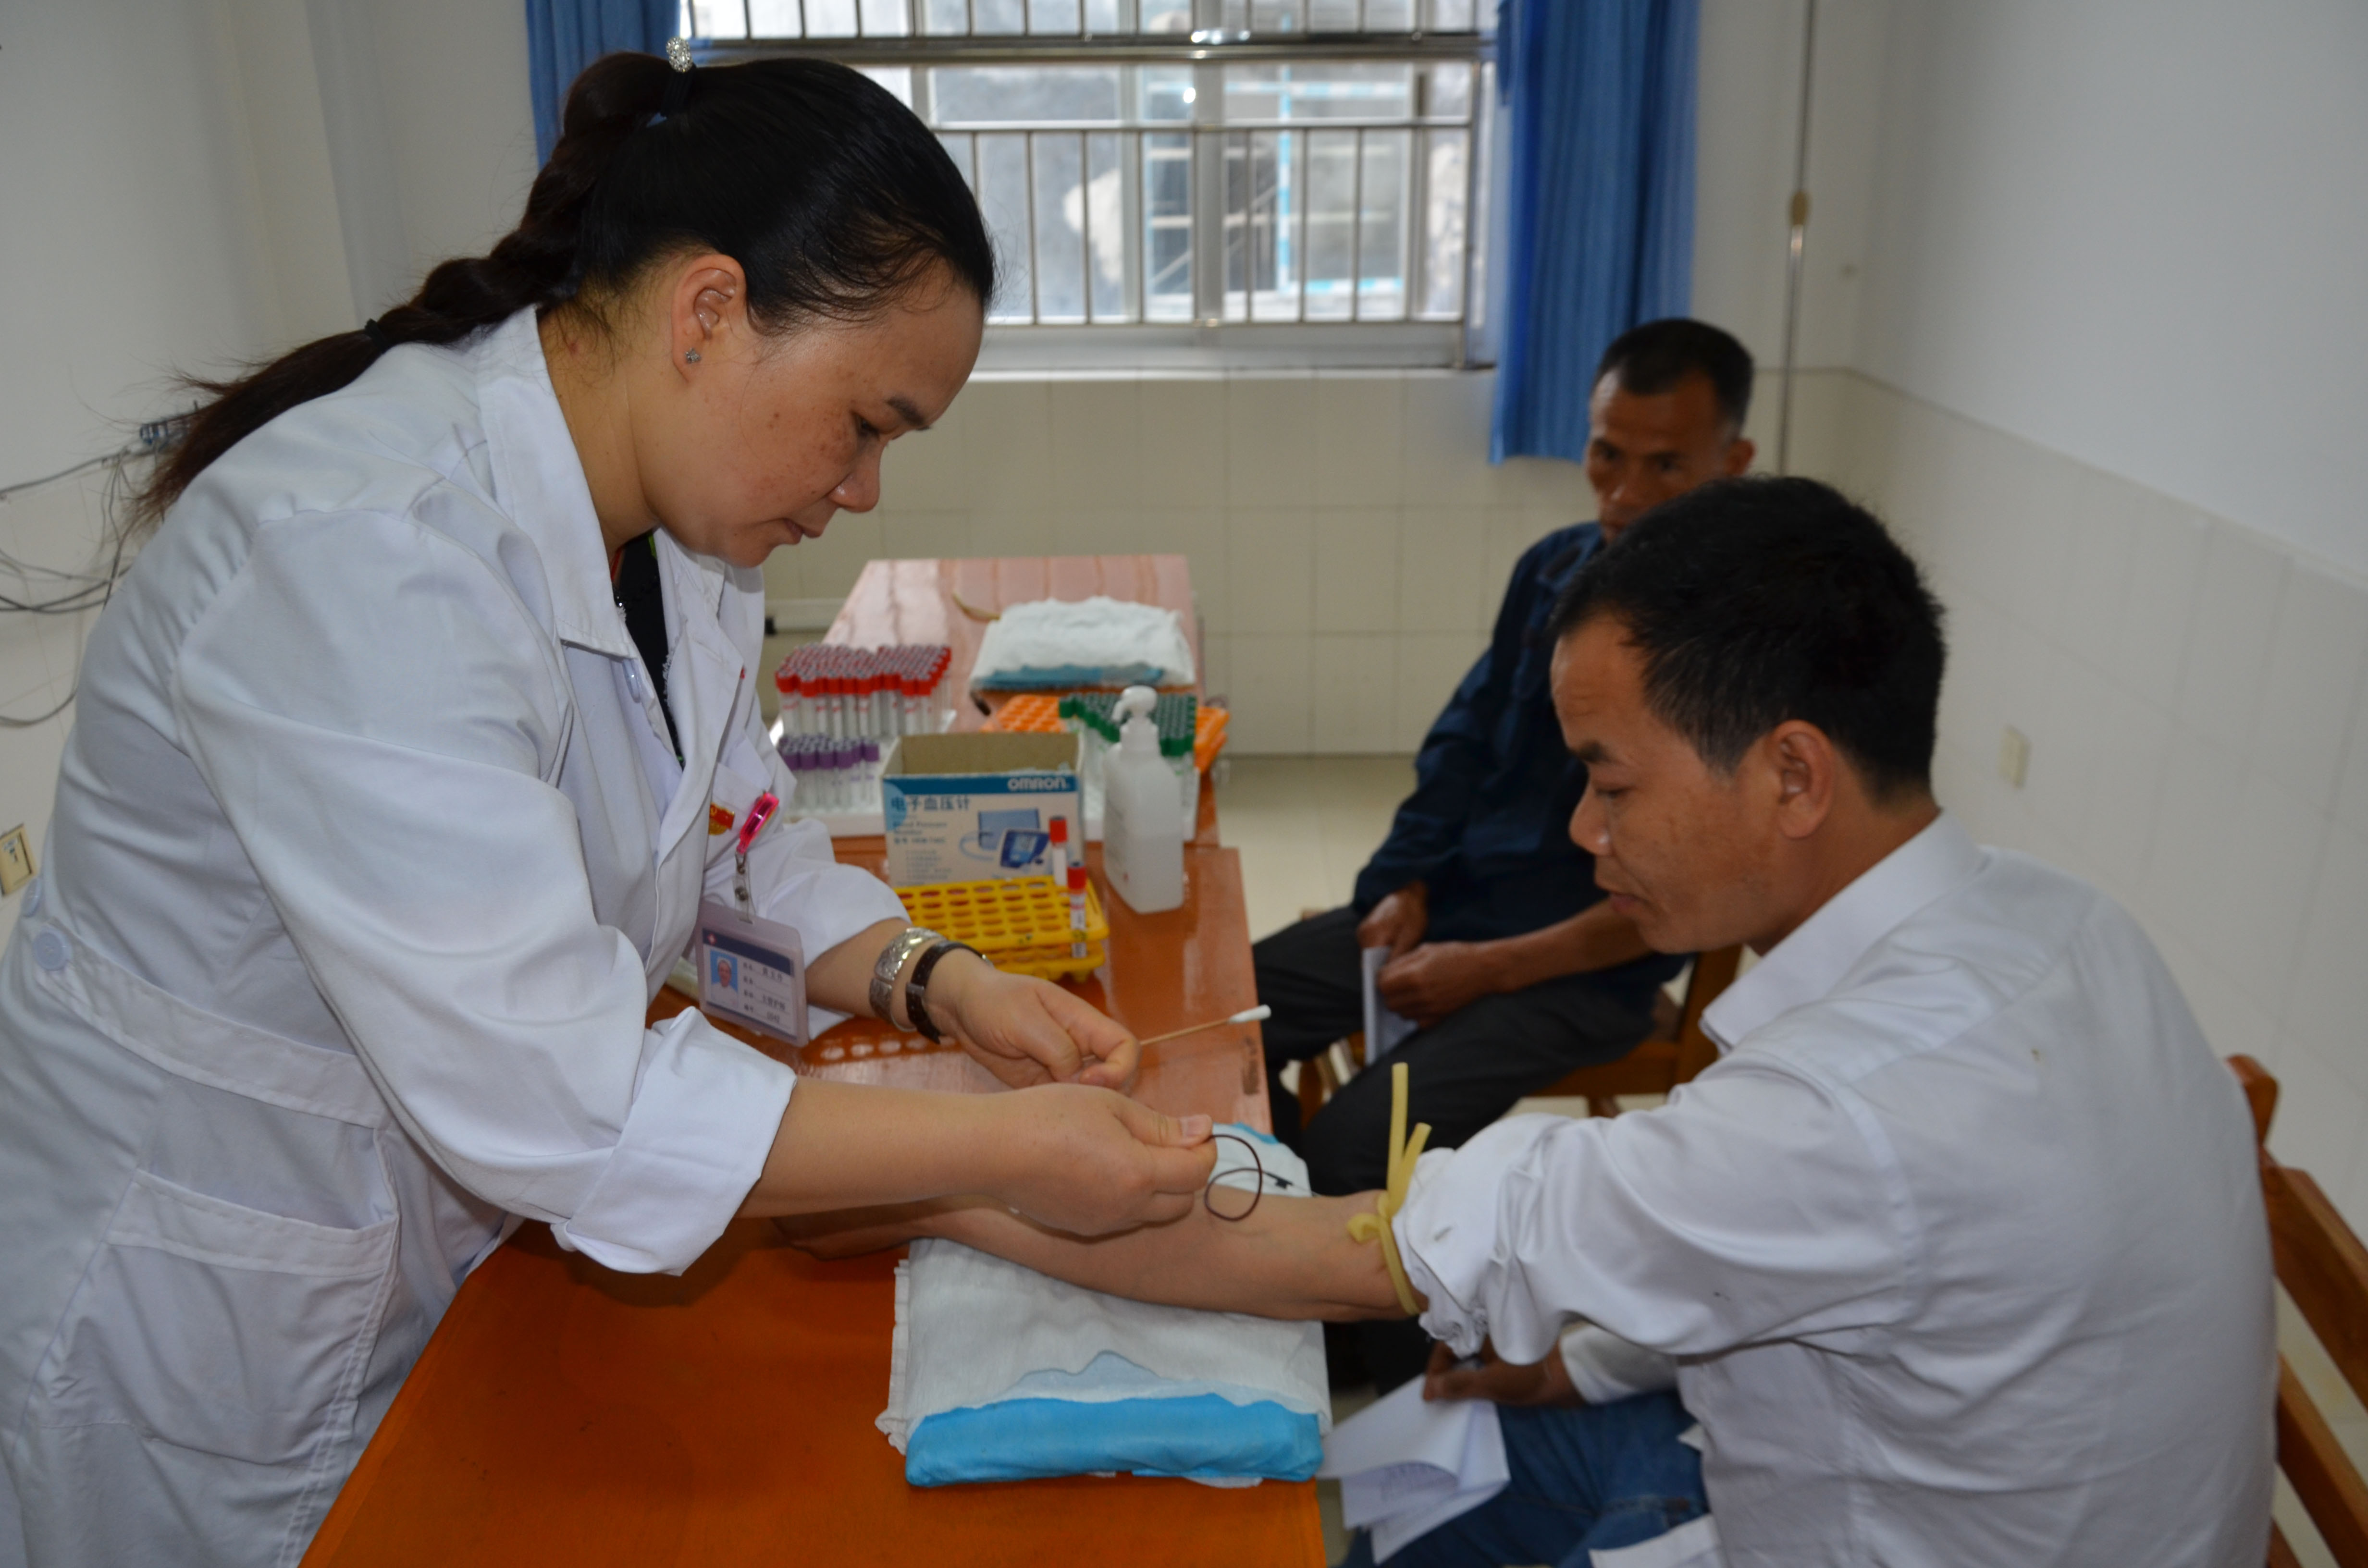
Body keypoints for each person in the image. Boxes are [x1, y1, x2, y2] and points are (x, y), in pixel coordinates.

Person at [0, 52, 1215, 1566]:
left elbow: (729, 846)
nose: (864, 490)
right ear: (710, 312)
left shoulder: (681, 540)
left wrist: (940, 981)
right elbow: (567, 1093)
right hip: (202, 1305)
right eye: (866, 423)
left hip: (416, 1246)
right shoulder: (365, 553)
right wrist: (1000, 1152)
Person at [794, 478, 2276, 1567]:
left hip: (1845, 1521)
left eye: (1612, 783)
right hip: (1893, 1469)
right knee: (1381, 1478)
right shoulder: (2068, 924)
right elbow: (1853, 1266)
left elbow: (1336, 1254)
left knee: (1299, 1508)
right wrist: (1582, 1359)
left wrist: (937, 1184)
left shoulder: (1857, 1113)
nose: (1582, 828)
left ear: (1793, 774)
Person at [1254, 318, 1755, 1388]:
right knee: (1237, 1010)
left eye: (1666, 466)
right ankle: (1286, 1285)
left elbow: (1682, 903)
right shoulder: (1555, 572)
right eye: (1606, 454)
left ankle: (1392, 1380)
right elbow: (1464, 742)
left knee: (1357, 1147)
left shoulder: (1739, 661)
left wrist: (1488, 971)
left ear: (1734, 462)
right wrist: (1401, 886)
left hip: (1582, 971)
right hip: (1458, 905)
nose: (1624, 493)